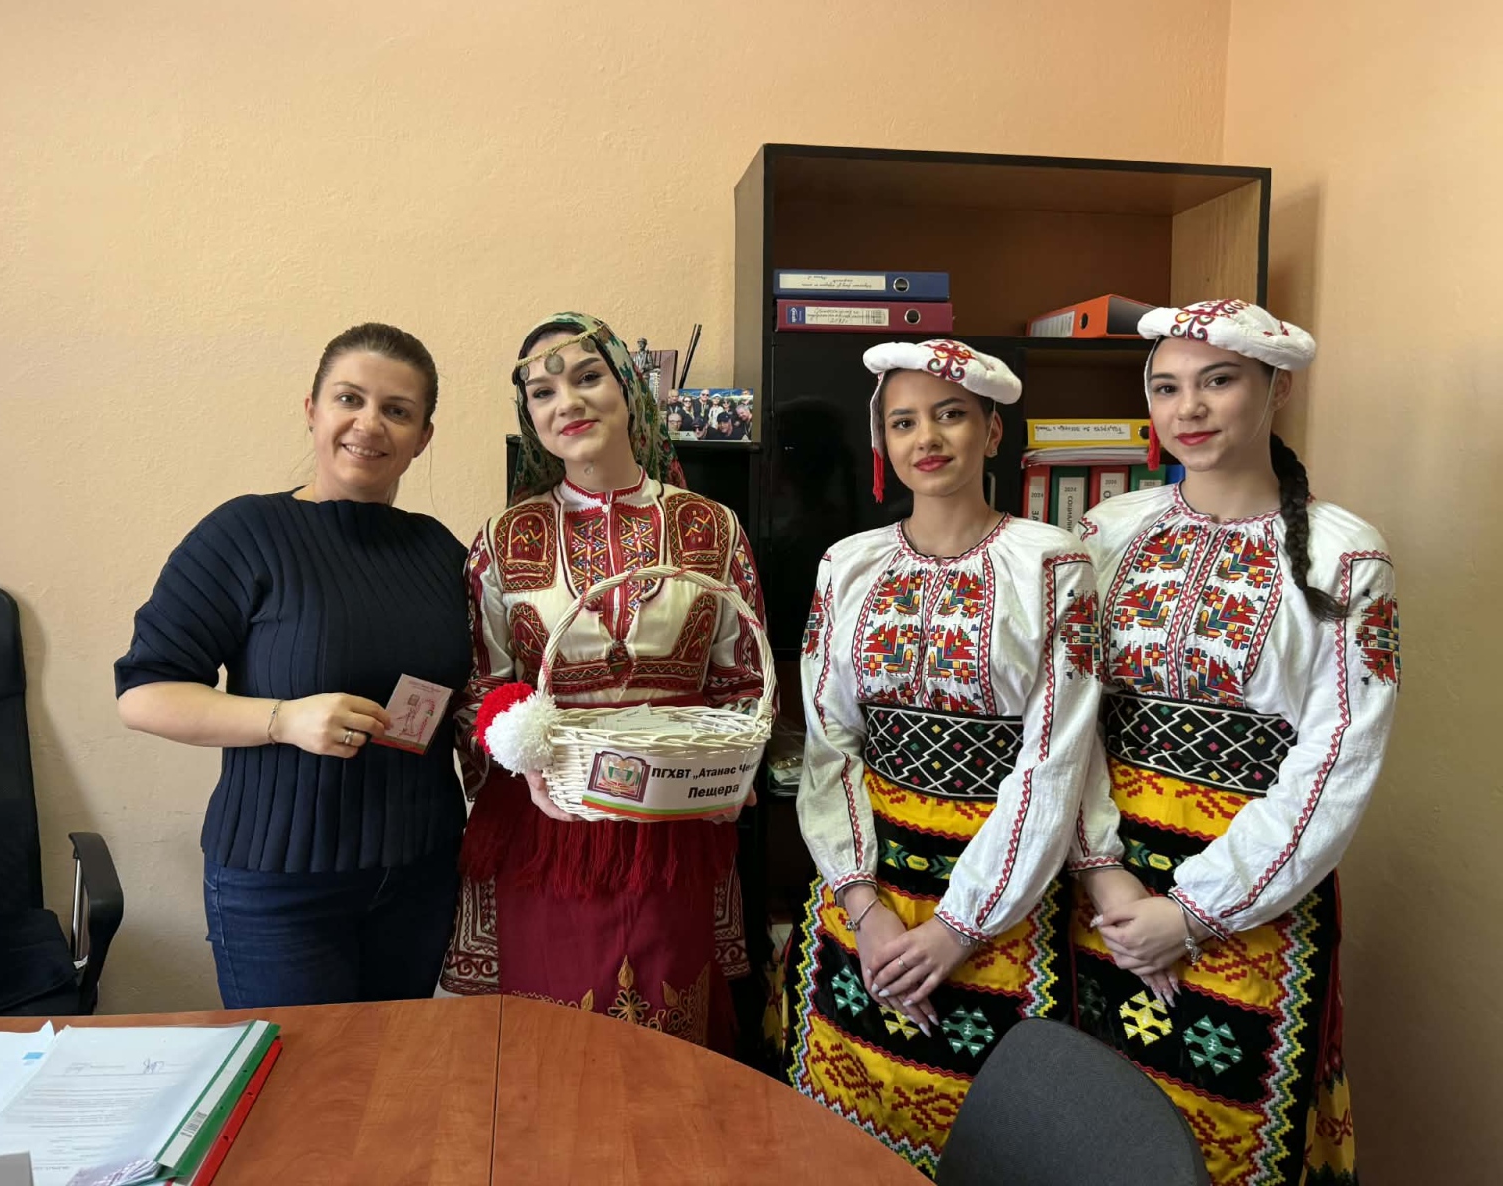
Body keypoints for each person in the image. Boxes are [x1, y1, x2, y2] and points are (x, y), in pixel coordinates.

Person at [1070, 300, 1399, 1186]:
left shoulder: (1347, 556)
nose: (1189, 409)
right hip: (1103, 881)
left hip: (1254, 893)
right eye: (1167, 388)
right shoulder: (1103, 532)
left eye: (1218, 381)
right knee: (1083, 1121)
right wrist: (1102, 871)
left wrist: (1193, 912)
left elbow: (1338, 760)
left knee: (1226, 1137)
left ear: (1276, 387)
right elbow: (1067, 719)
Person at [786, 338, 1106, 1176]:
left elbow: (1055, 758)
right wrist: (865, 907)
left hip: (1003, 885)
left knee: (997, 1134)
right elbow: (829, 742)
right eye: (903, 422)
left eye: (951, 415)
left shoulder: (1055, 562)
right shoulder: (847, 564)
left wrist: (961, 926)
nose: (926, 437)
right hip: (868, 883)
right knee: (842, 1135)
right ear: (882, 443)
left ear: (992, 432)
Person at [115, 323, 470, 1008]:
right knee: (302, 1074)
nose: (369, 424)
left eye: (397, 410)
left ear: (423, 437)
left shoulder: (442, 553)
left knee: (394, 1066)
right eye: (349, 399)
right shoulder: (245, 534)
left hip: (421, 876)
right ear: (312, 409)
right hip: (280, 887)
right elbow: (145, 693)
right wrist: (283, 720)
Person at [439, 312, 767, 1050]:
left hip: (673, 823)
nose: (568, 402)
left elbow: (744, 680)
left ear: (628, 391)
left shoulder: (713, 528)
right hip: (548, 827)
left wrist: (734, 769)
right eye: (543, 392)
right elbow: (479, 690)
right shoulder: (503, 539)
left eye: (588, 377)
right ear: (529, 418)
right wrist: (521, 756)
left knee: (668, 1035)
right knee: (549, 1041)